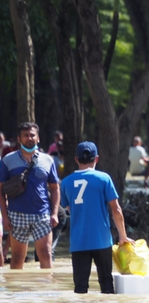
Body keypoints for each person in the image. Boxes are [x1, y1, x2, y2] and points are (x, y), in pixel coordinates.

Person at [60, 142, 133, 293]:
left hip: (79, 241)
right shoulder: (104, 178)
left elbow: (69, 209)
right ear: (97, 159)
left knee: (80, 287)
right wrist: (123, 236)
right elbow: (116, 210)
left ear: (76, 159)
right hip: (102, 240)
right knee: (106, 282)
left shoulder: (66, 182)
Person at [0, 122, 61, 269]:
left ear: (38, 138)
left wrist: (54, 213)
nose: (29, 138)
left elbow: (55, 188)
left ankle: (46, 291)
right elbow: (0, 191)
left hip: (42, 214)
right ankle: (16, 291)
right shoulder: (8, 160)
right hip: (16, 214)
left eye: (32, 135)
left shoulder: (48, 160)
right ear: (19, 139)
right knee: (18, 257)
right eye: (25, 135)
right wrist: (5, 217)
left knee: (46, 253)